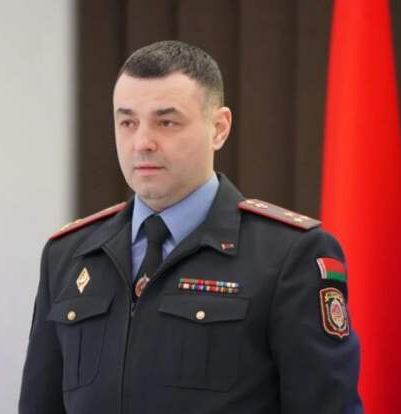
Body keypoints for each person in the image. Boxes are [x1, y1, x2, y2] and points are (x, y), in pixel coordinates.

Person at [19, 40, 362, 414]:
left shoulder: (288, 255)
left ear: (219, 128)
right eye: (128, 122)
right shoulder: (68, 255)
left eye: (166, 122)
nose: (142, 143)